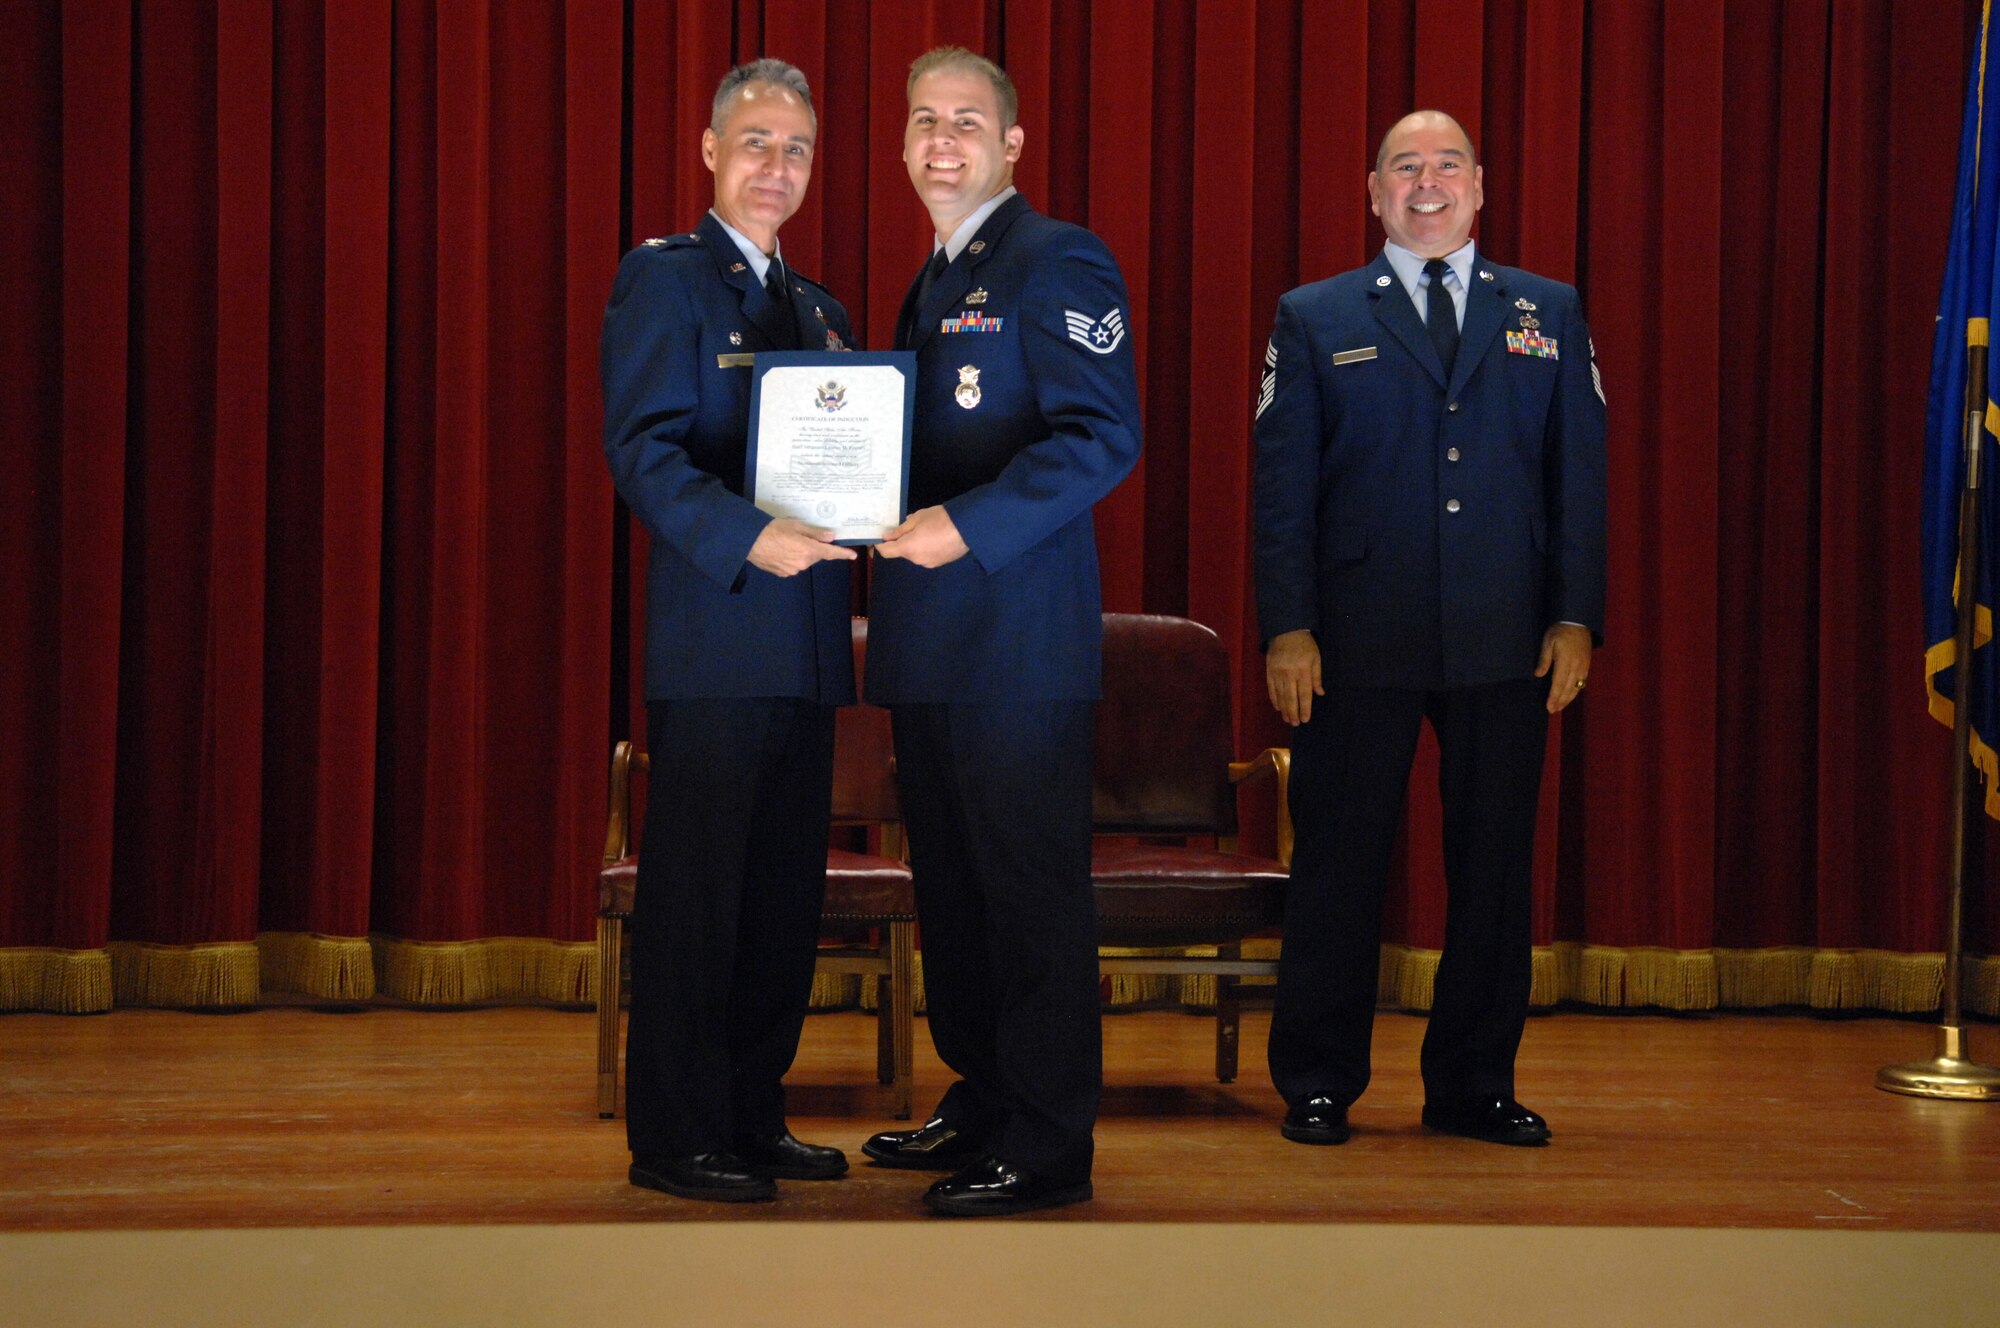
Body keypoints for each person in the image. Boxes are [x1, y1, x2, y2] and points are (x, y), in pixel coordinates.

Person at [1253, 110, 1606, 1148]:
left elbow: (1575, 478)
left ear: (1479, 185)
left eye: (1444, 164)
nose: (1424, 182)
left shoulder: (1547, 309)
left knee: (1492, 870)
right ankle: (1317, 1079)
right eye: (1402, 166)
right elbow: (1283, 496)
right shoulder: (1311, 316)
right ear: (1372, 192)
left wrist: (1574, 614)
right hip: (1352, 640)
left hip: (1506, 639)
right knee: (1338, 864)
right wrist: (1287, 628)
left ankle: (1470, 1083)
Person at [857, 46, 1142, 1216]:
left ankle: (1046, 1139)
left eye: (965, 121)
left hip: (1017, 651)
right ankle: (980, 1095)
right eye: (923, 119)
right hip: (931, 650)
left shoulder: (1055, 256)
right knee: (956, 898)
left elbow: (1099, 436)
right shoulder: (929, 281)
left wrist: (962, 529)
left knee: (1025, 895)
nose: (940, 140)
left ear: (1011, 143)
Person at [599, 59, 859, 1203]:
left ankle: (753, 1111)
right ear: (709, 151)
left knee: (777, 898)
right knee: (699, 897)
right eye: (755, 143)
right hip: (715, 637)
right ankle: (674, 1130)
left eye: (795, 149)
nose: (775, 167)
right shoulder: (664, 281)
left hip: (804, 648)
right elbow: (643, 450)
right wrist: (750, 537)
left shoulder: (821, 312)